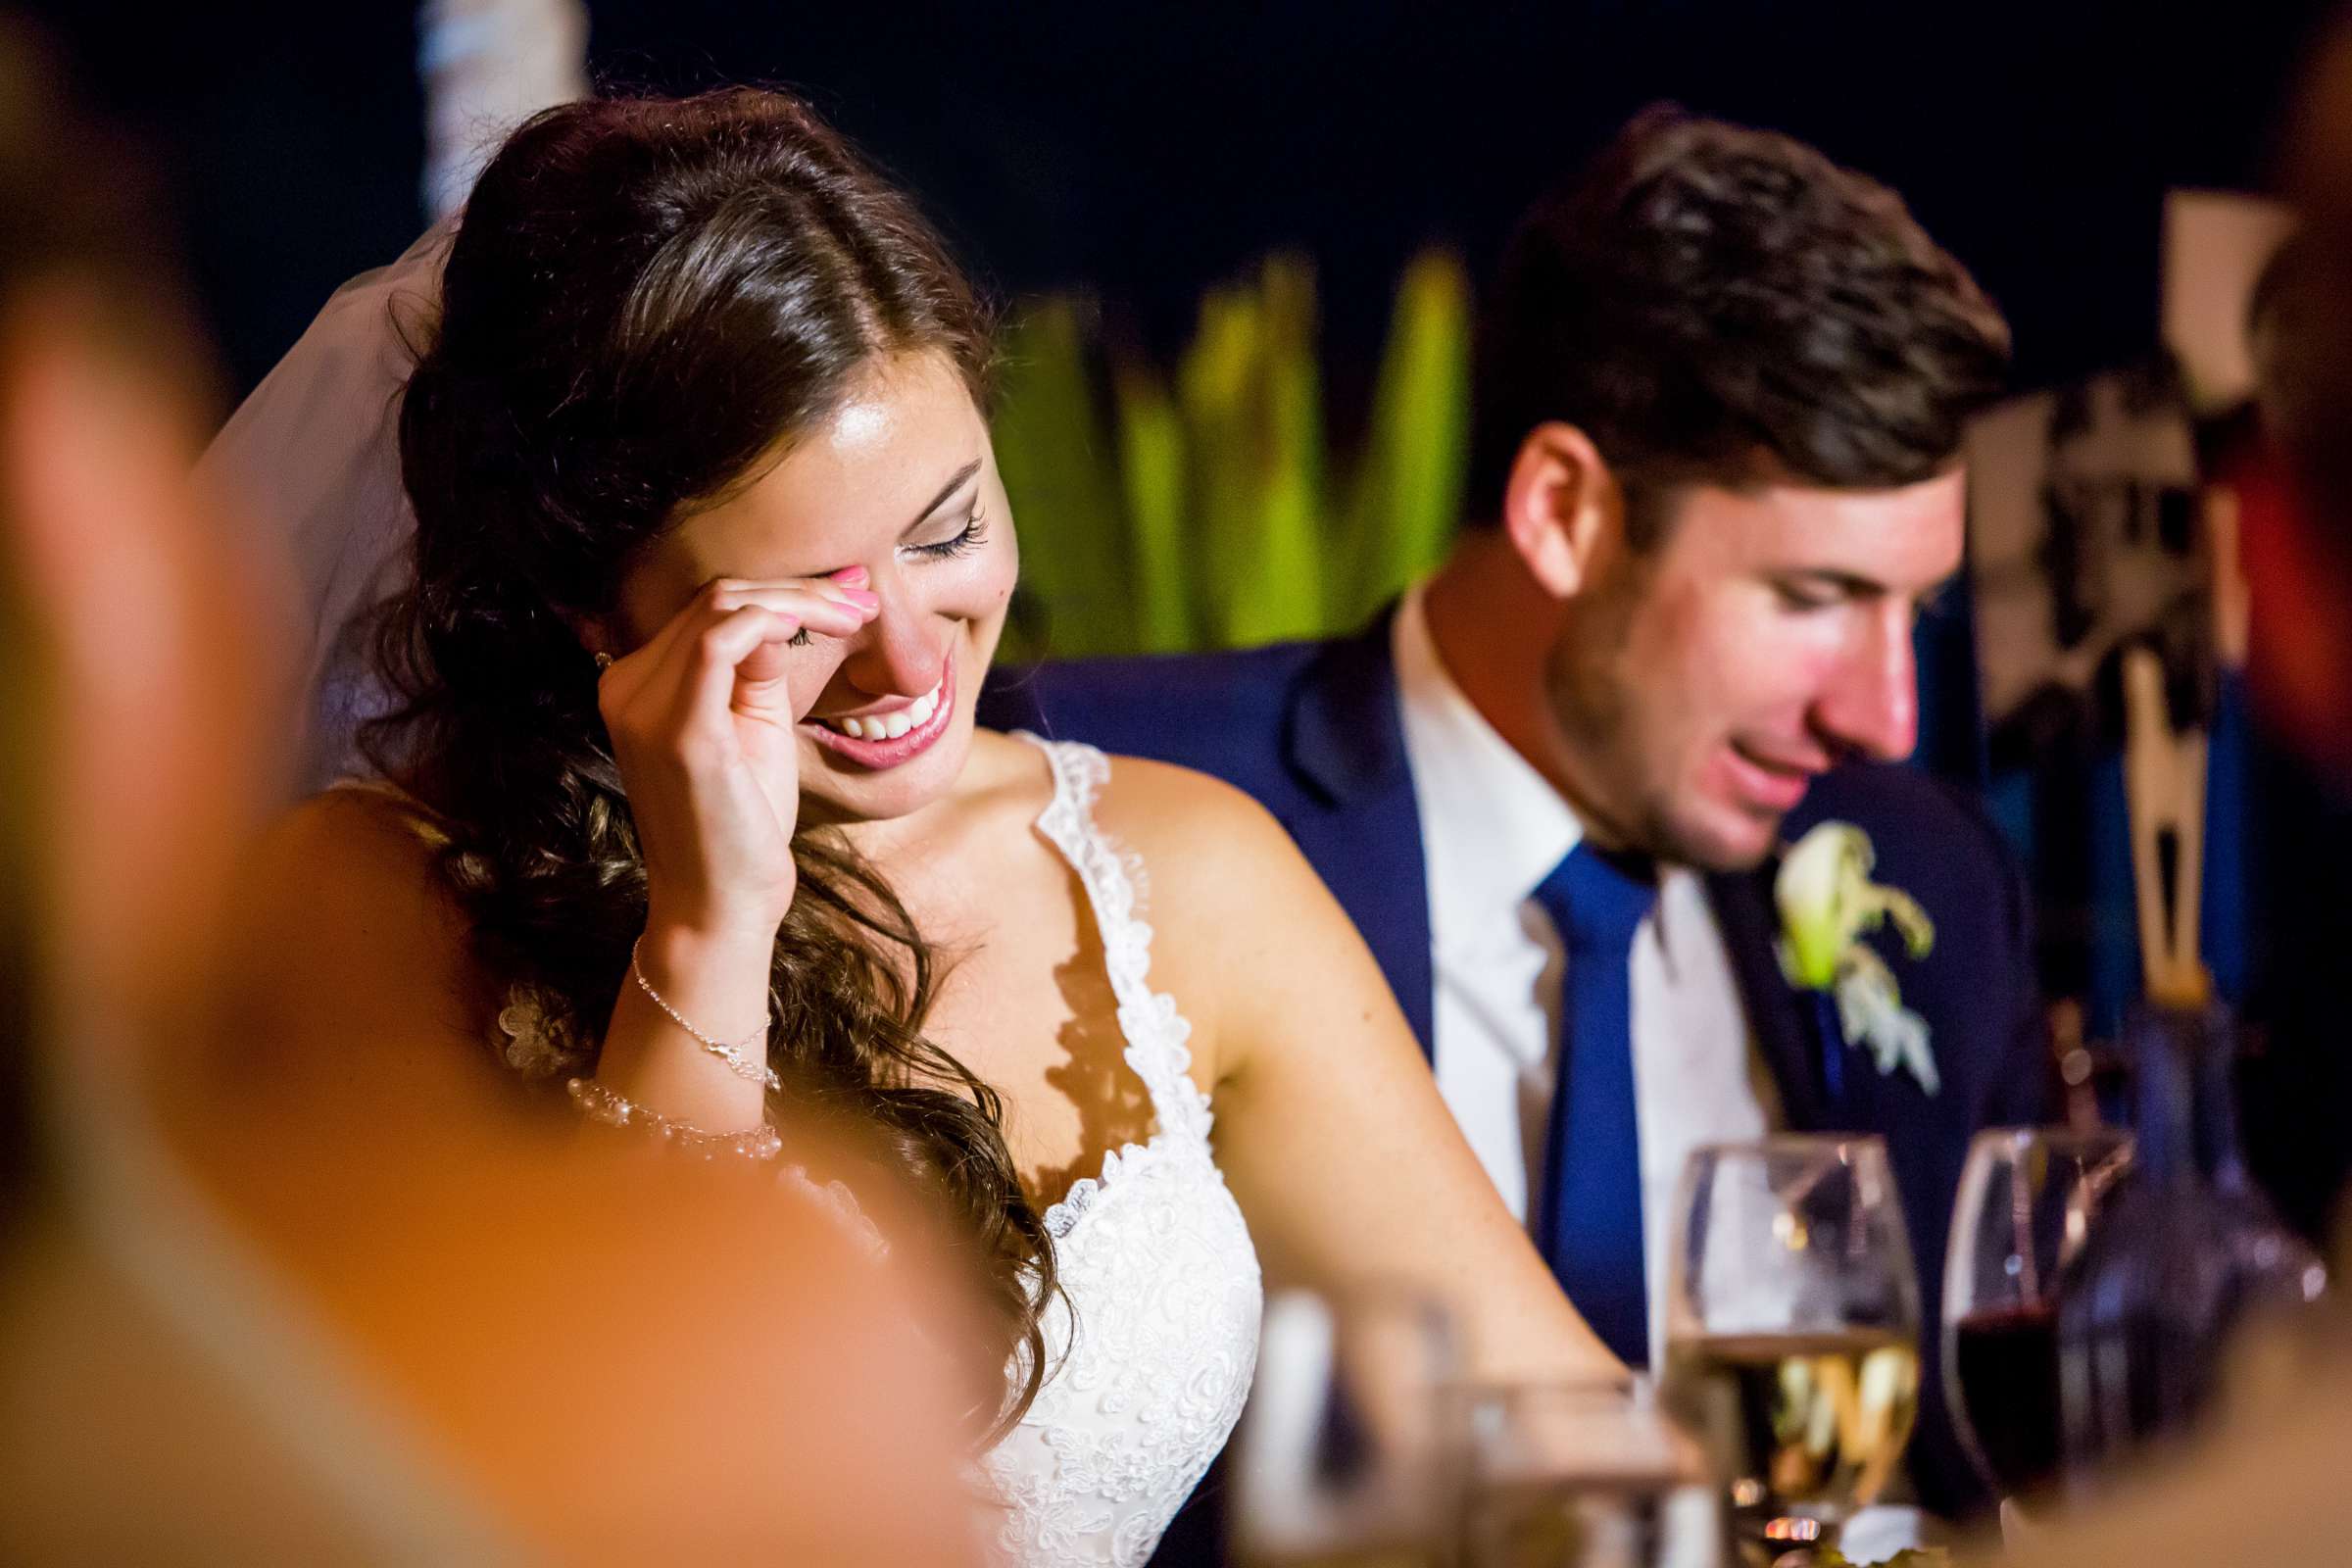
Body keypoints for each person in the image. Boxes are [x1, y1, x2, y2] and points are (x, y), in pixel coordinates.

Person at [216, 86, 1621, 1567]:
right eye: (802, 608)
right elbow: (635, 1493)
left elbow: (1561, 1448)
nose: (907, 657)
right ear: (590, 610)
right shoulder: (370, 910)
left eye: (947, 531)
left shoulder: (1181, 874)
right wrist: (709, 929)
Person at [991, 108, 2052, 1519]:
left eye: (1914, 613)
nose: (1885, 717)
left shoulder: (1935, 883)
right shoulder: (1114, 798)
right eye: (1816, 600)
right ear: (1564, 510)